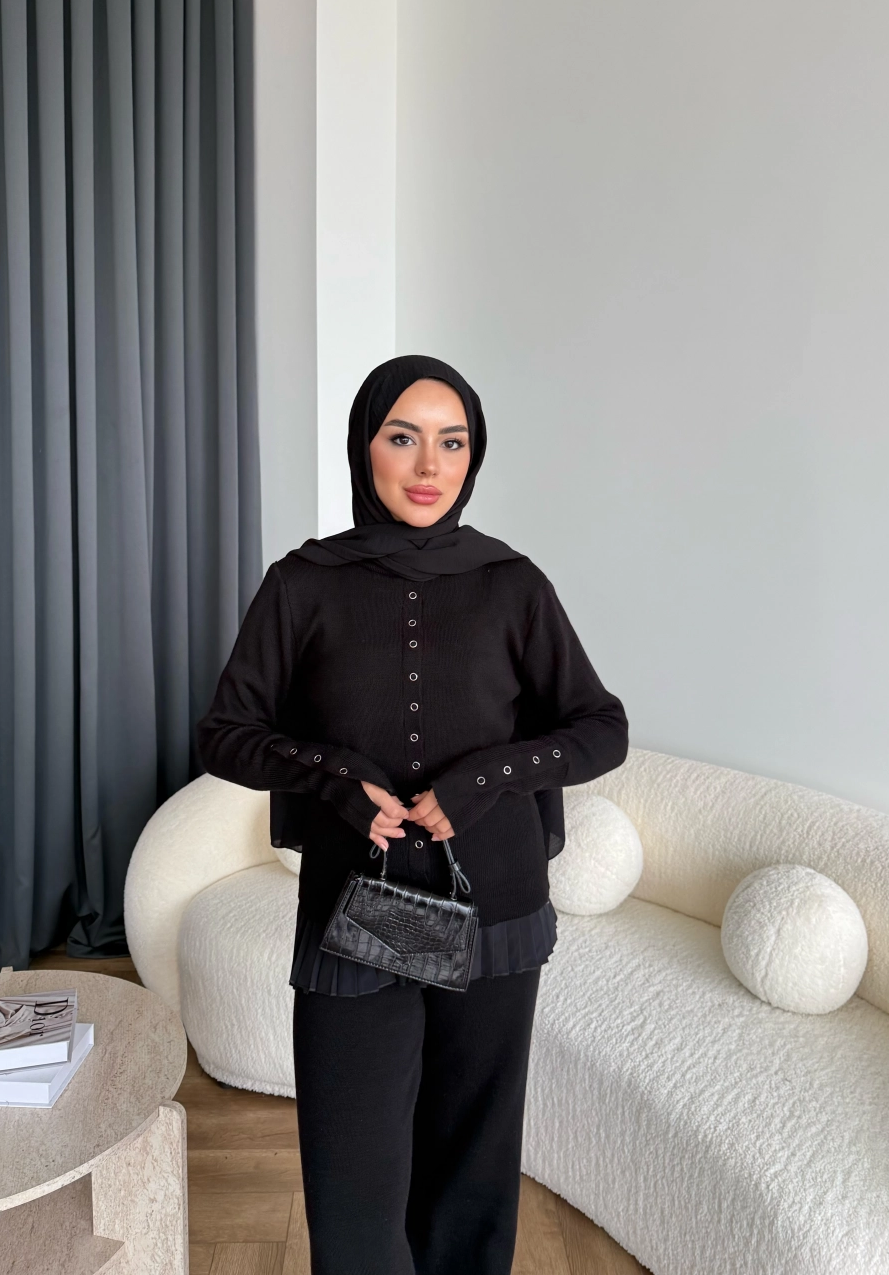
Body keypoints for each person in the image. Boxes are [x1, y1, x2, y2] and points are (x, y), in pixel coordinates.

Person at [196, 355, 629, 1275]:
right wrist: (334, 777)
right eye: (404, 437)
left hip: (496, 908)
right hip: (361, 912)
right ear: (365, 445)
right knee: (354, 1178)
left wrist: (487, 778)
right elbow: (226, 735)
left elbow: (602, 728)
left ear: (475, 456)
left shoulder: (513, 583)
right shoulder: (302, 584)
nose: (430, 465)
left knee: (472, 1168)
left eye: (452, 442)